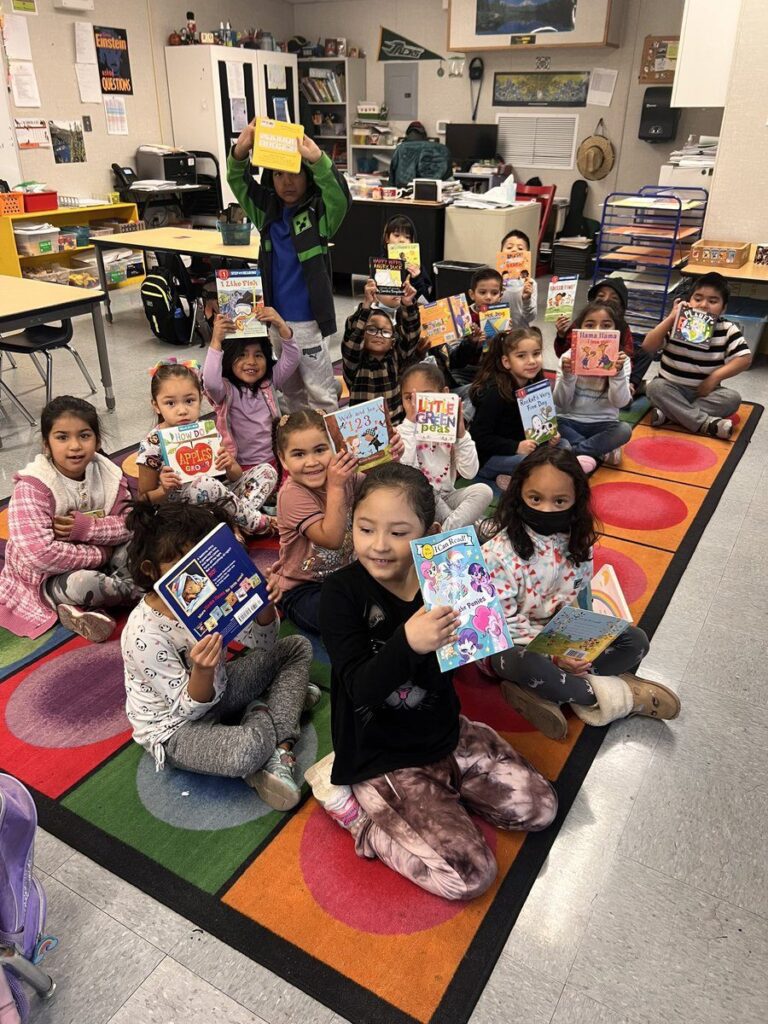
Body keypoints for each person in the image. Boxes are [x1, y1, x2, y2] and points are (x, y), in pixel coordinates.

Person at [306, 462, 557, 900]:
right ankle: (357, 816)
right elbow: (359, 688)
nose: (379, 546)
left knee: (540, 809)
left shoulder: (447, 578)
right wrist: (408, 642)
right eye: (365, 530)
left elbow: (476, 649)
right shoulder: (342, 593)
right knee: (467, 878)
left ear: (432, 531)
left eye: (399, 533)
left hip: (445, 732)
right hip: (381, 756)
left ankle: (451, 786)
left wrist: (505, 629)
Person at [121, 500, 315, 811]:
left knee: (296, 648)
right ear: (151, 569)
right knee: (248, 749)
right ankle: (271, 723)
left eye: (202, 558)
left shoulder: (211, 593)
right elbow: (186, 712)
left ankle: (276, 740)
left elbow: (264, 643)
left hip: (220, 688)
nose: (196, 577)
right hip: (174, 728)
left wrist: (263, 605)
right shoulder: (143, 634)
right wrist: (201, 670)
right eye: (180, 564)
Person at [480, 446, 681, 739]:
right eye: (535, 498)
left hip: (556, 635)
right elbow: (501, 625)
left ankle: (550, 692)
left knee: (635, 642)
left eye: (559, 500)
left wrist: (578, 644)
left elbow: (579, 596)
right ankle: (620, 696)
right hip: (511, 644)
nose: (546, 508)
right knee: (530, 664)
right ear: (518, 494)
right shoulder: (497, 553)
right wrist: (553, 659)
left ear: (575, 501)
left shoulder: (578, 542)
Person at [227, 122, 351, 412]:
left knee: (320, 391)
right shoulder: (266, 212)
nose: (287, 182)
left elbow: (340, 198)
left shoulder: (318, 214)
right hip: (275, 320)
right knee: (288, 391)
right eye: (279, 174)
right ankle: (297, 444)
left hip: (309, 323)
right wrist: (241, 150)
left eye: (294, 173)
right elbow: (239, 182)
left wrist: (318, 159)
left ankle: (327, 446)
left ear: (306, 175)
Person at [0, 396, 135, 642]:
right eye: (62, 437)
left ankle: (87, 607)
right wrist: (101, 555)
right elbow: (39, 555)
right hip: (48, 578)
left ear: (98, 440)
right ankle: (133, 593)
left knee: (143, 543)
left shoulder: (108, 474)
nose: (74, 446)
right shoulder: (34, 486)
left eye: (84, 435)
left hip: (101, 552)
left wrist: (85, 528)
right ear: (46, 444)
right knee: (87, 583)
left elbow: (129, 524)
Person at [136, 360, 277, 536]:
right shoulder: (152, 443)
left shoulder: (205, 430)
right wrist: (164, 489)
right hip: (182, 512)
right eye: (170, 403)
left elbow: (235, 476)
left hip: (217, 498)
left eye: (189, 401)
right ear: (156, 405)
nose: (182, 410)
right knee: (204, 483)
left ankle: (235, 524)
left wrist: (230, 464)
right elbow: (142, 499)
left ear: (200, 399)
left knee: (266, 471)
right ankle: (255, 523)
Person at [468, 327, 591, 491]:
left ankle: (522, 477)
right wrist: (515, 447)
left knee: (564, 444)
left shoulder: (535, 384)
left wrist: (550, 436)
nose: (532, 361)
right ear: (506, 362)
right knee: (531, 461)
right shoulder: (495, 393)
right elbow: (479, 437)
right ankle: (539, 474)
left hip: (528, 448)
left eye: (536, 354)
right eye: (521, 356)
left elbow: (537, 425)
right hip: (490, 458)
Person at [273, 410, 359, 634]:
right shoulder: (291, 494)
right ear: (283, 460)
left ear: (335, 447)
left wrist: (390, 455)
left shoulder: (345, 476)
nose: (311, 462)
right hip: (303, 588)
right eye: (299, 454)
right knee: (342, 615)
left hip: (348, 573)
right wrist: (336, 487)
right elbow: (332, 539)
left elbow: (383, 485)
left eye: (320, 450)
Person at [643, 272, 751, 439]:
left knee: (732, 399)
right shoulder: (676, 324)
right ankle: (705, 423)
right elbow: (648, 346)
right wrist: (671, 318)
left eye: (713, 301)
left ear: (723, 308)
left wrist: (715, 377)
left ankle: (671, 415)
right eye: (698, 299)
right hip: (670, 388)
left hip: (705, 393)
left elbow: (744, 359)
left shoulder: (727, 329)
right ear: (688, 301)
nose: (703, 305)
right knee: (654, 388)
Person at [397, 361, 492, 529]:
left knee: (484, 491)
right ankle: (468, 530)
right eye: (409, 398)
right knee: (427, 488)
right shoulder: (401, 432)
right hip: (418, 501)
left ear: (445, 394)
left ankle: (446, 531)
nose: (416, 405)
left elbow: (469, 473)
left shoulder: (450, 431)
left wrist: (461, 436)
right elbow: (404, 473)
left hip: (448, 497)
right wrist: (410, 424)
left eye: (425, 397)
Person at [203, 310, 299, 474]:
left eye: (258, 355)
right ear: (228, 358)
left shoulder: (268, 382)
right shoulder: (225, 391)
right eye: (242, 355)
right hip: (241, 467)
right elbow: (210, 381)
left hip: (276, 459)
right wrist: (216, 341)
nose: (251, 362)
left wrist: (281, 324)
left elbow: (292, 358)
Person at [552, 301, 633, 467]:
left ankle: (571, 453)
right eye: (590, 325)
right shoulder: (567, 357)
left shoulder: (621, 360)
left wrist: (616, 374)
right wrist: (568, 376)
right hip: (568, 421)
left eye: (606, 325)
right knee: (550, 424)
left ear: (616, 331)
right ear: (579, 329)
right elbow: (560, 403)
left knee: (624, 430)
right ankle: (598, 450)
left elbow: (621, 403)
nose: (597, 331)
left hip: (603, 424)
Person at [341, 275, 421, 425]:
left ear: (393, 340)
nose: (379, 335)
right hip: (364, 430)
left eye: (385, 332)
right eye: (372, 329)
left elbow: (411, 336)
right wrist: (366, 307)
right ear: (363, 334)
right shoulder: (355, 363)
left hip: (396, 426)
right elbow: (352, 338)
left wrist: (408, 304)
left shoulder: (395, 357)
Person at [553, 277, 646, 397]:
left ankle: (632, 386)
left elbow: (628, 356)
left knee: (645, 354)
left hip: (612, 375)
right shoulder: (581, 323)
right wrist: (561, 335)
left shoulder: (623, 327)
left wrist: (621, 369)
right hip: (582, 376)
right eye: (601, 296)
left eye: (614, 298)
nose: (606, 300)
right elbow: (563, 354)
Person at [449, 267, 505, 389]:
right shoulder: (462, 315)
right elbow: (453, 357)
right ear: (472, 294)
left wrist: (506, 337)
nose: (488, 297)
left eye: (494, 293)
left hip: (492, 370)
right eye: (482, 292)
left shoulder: (503, 316)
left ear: (501, 295)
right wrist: (471, 343)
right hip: (464, 372)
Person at [382, 214, 433, 302]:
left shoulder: (417, 267)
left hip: (411, 310)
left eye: (407, 237)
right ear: (387, 238)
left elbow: (426, 300)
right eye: (396, 235)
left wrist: (417, 278)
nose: (402, 240)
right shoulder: (380, 263)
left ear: (412, 241)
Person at [389, 121, 452, 190]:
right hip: (435, 192)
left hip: (404, 191)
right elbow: (448, 178)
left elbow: (392, 177)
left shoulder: (400, 148)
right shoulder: (441, 149)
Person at [499, 229, 537, 329]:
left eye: (520, 248)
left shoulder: (530, 283)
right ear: (501, 252)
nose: (514, 250)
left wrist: (527, 299)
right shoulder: (495, 281)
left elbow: (530, 317)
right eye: (509, 247)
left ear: (527, 255)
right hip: (498, 334)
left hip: (521, 334)